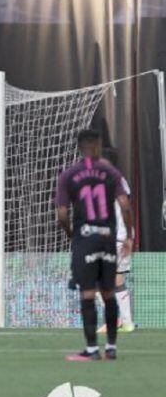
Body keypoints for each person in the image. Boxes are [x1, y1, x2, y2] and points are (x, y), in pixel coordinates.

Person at [55, 129, 132, 361]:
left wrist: (72, 235)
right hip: (109, 237)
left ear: (79, 147)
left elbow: (61, 213)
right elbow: (125, 204)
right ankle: (111, 348)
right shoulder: (111, 173)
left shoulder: (68, 175)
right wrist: (129, 236)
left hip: (85, 238)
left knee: (88, 293)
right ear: (98, 146)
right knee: (109, 292)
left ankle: (91, 350)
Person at [97, 149, 135, 334]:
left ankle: (116, 320)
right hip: (115, 236)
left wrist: (128, 237)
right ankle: (125, 322)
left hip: (117, 237)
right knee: (116, 280)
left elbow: (125, 208)